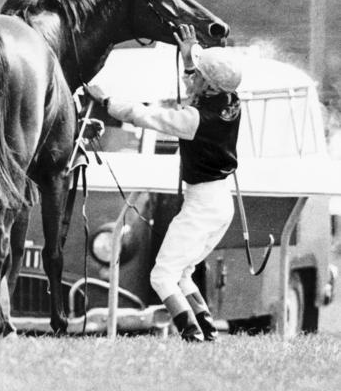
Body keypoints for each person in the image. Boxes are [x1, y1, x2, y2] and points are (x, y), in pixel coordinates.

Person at [85, 24, 242, 342]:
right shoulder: (230, 102)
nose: (192, 77)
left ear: (208, 85)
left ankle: (191, 335)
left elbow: (146, 116)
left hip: (202, 204)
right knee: (182, 273)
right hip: (218, 203)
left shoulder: (195, 119)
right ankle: (206, 328)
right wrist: (188, 61)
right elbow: (198, 93)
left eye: (197, 74)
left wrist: (106, 103)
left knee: (162, 276)